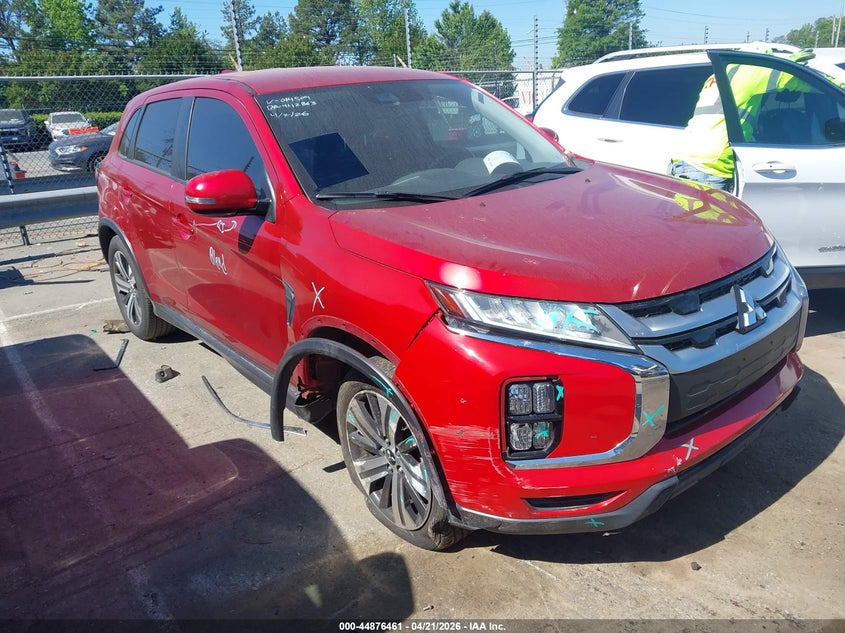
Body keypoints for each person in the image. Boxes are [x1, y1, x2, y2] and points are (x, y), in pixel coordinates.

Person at [669, 47, 815, 192]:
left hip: (684, 160)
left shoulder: (717, 76)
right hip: (710, 166)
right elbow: (806, 83)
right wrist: (789, 67)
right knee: (710, 215)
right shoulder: (755, 70)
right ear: (762, 60)